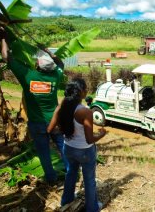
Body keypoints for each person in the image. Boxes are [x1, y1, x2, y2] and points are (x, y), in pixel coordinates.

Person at [0, 27, 67, 183]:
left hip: (37, 124)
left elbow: (6, 57)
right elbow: (60, 63)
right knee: (63, 148)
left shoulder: (28, 76)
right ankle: (71, 173)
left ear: (38, 65)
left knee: (44, 152)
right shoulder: (55, 77)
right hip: (55, 121)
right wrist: (47, 51)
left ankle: (51, 178)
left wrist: (3, 37)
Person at [47, 78, 106, 212]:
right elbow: (90, 139)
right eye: (85, 89)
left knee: (70, 174)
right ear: (81, 92)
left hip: (68, 148)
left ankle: (66, 200)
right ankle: (92, 208)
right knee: (89, 180)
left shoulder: (62, 107)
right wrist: (102, 134)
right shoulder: (85, 112)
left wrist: (64, 131)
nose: (86, 91)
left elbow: (50, 129)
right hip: (85, 151)